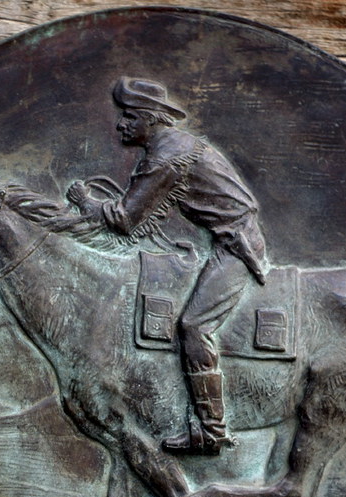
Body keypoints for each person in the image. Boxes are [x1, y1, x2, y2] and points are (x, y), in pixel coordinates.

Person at [68, 77, 270, 454]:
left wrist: (85, 202)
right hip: (221, 239)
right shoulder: (176, 146)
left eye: (128, 117)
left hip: (235, 247)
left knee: (193, 326)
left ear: (148, 118)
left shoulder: (165, 157)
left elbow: (125, 218)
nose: (120, 125)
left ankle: (211, 431)